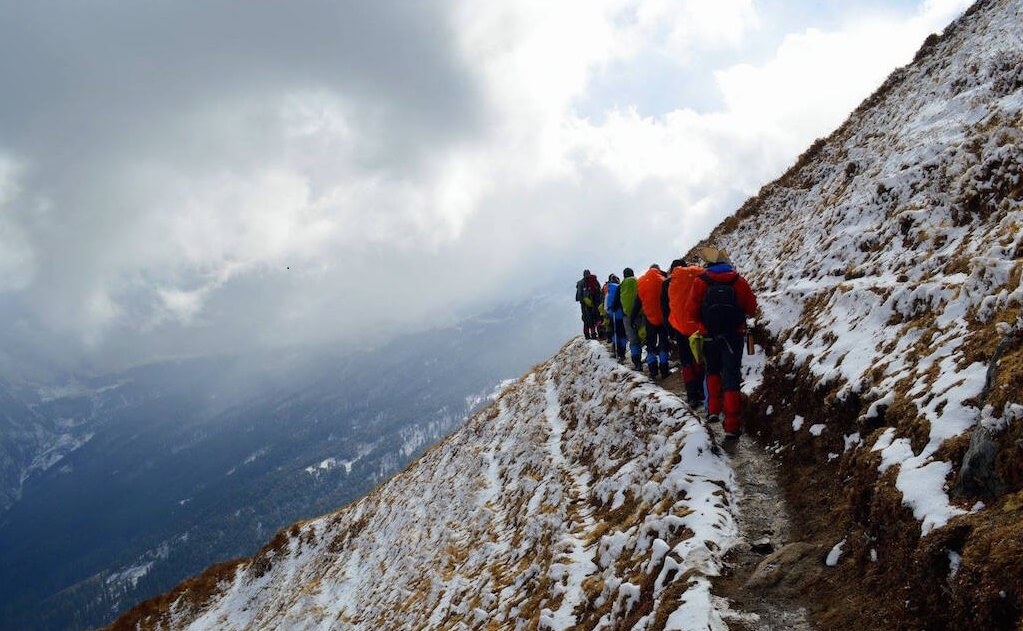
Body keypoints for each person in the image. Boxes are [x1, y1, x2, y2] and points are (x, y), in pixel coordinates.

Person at [685, 247, 757, 438]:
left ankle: (713, 410)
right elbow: (751, 308)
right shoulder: (738, 281)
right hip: (734, 336)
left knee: (712, 371)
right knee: (732, 378)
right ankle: (732, 426)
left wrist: (704, 324)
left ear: (709, 264)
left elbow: (691, 312)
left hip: (709, 336)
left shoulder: (701, 281)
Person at [667, 259, 706, 409]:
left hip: (679, 328)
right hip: (698, 324)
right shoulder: (699, 276)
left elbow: (667, 309)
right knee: (699, 358)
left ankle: (692, 396)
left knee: (686, 362)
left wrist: (671, 329)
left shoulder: (668, 283)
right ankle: (702, 391)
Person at [636, 264, 670, 378]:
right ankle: (664, 369)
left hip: (649, 317)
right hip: (663, 316)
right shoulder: (663, 279)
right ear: (658, 270)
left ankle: (652, 370)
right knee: (663, 342)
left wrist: (632, 317)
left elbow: (638, 303)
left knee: (650, 343)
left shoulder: (641, 281)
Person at [618, 268, 643, 369]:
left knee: (633, 339)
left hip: (627, 316)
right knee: (644, 335)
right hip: (640, 313)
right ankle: (653, 363)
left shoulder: (621, 286)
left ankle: (637, 363)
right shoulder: (639, 281)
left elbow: (616, 302)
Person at [605, 273, 626, 359]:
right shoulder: (621, 288)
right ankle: (622, 353)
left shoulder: (609, 290)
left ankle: (616, 351)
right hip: (622, 315)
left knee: (615, 333)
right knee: (622, 334)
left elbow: (606, 306)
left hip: (613, 315)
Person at [575, 270, 602, 340]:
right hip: (596, 303)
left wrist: (583, 301)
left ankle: (588, 334)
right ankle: (600, 333)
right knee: (597, 317)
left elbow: (578, 296)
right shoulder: (595, 280)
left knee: (586, 319)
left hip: (586, 305)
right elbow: (599, 291)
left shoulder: (581, 283)